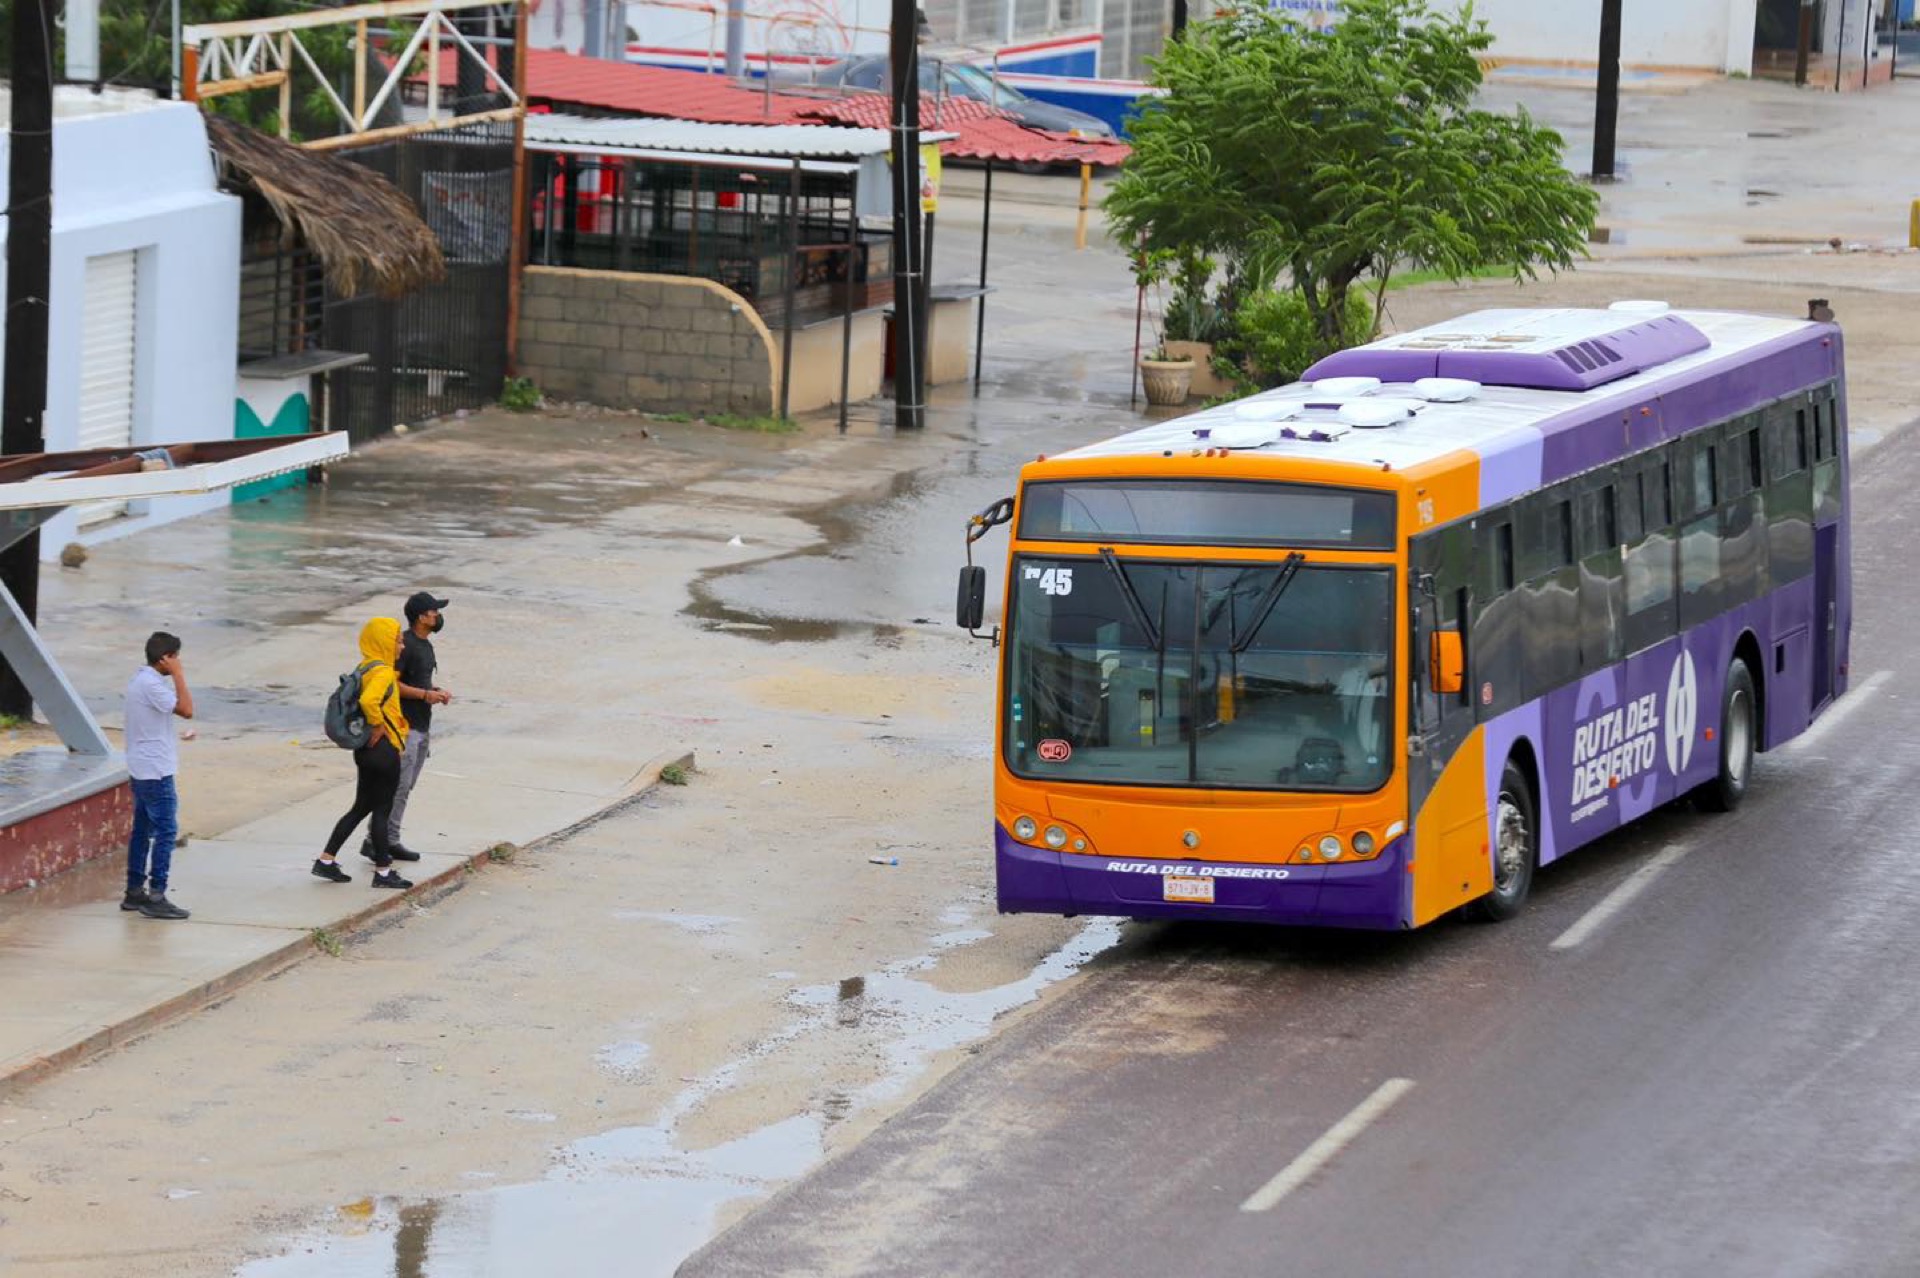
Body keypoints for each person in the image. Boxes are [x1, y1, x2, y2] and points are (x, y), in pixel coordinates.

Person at [312, 617, 412, 889]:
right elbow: (370, 701)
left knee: (360, 807)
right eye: (397, 641)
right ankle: (382, 872)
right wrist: (379, 724)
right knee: (382, 810)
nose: (401, 646)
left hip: (365, 750)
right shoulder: (382, 672)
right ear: (383, 642)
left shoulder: (364, 667)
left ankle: (326, 860)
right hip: (383, 750)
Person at [364, 591, 452, 864]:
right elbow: (392, 684)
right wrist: (425, 695)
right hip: (405, 727)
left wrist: (432, 691)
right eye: (434, 612)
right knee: (397, 787)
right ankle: (381, 841)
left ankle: (384, 840)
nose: (438, 616)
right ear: (421, 617)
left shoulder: (425, 645)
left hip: (421, 725)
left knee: (405, 786)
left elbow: (416, 681)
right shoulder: (404, 645)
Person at [123, 631, 194, 920]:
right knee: (165, 832)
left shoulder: (143, 681)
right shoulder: (152, 684)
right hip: (155, 771)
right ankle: (156, 895)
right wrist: (179, 675)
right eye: (175, 657)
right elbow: (187, 710)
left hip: (143, 767)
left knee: (142, 830)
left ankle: (134, 890)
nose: (178, 662)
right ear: (166, 658)